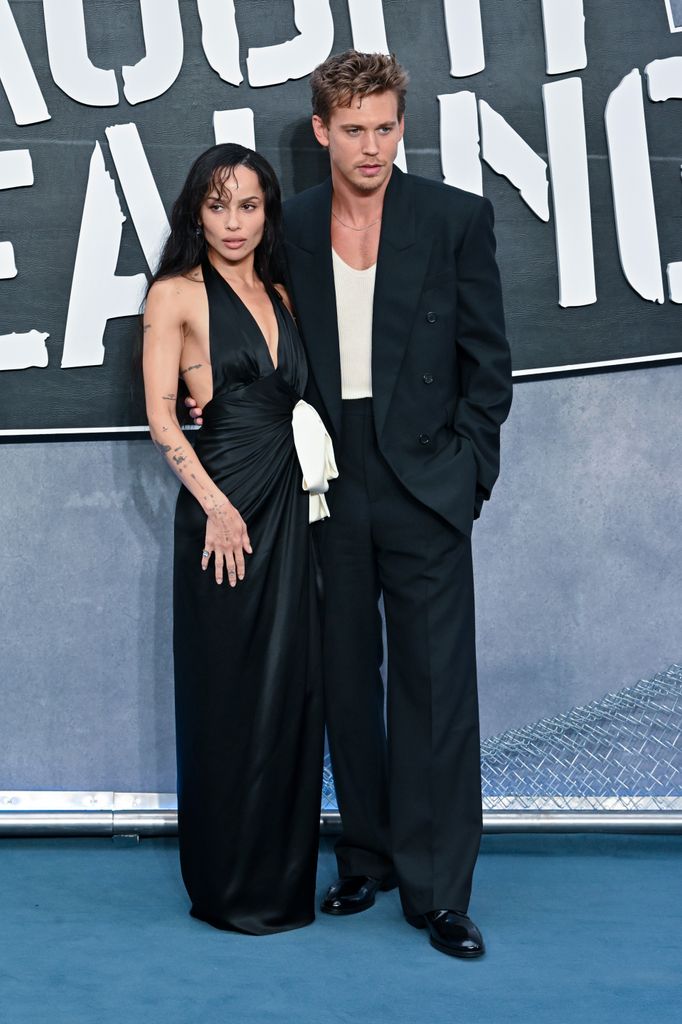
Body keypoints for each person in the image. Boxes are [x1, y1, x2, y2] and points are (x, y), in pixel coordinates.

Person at [189, 51, 513, 958]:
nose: (373, 147)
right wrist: (196, 389)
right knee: (341, 674)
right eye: (355, 129)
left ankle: (440, 888)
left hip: (425, 479)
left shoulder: (455, 218)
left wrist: (468, 473)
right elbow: (231, 318)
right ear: (322, 131)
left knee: (436, 686)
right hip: (321, 478)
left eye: (387, 127)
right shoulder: (284, 225)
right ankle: (365, 856)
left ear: (401, 126)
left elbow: (489, 369)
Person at [143, 143, 333, 935]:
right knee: (229, 695)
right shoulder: (176, 295)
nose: (232, 222)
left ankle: (282, 880)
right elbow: (161, 415)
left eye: (248, 206)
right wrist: (218, 508)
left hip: (289, 512)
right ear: (196, 210)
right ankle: (226, 882)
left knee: (290, 693)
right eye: (217, 205)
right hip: (223, 513)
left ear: (268, 212)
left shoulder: (283, 292)